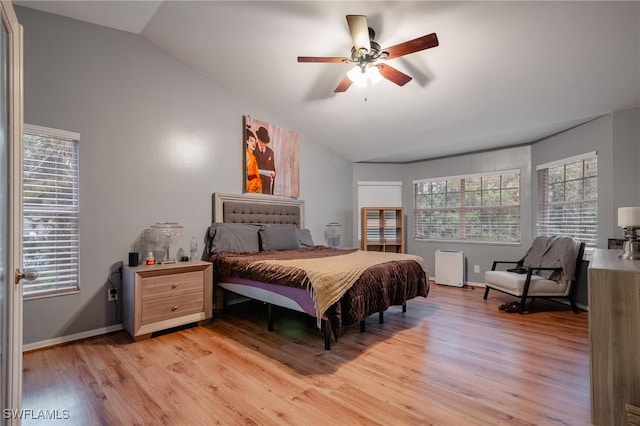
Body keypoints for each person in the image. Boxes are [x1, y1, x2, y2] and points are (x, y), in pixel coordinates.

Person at [253, 126, 276, 194]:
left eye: (265, 142)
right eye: (262, 141)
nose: (263, 144)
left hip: (266, 184)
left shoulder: (270, 152)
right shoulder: (253, 149)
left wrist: (274, 174)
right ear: (258, 139)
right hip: (256, 183)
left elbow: (273, 168)